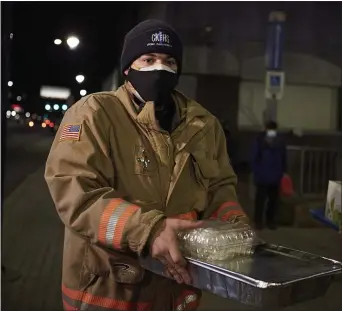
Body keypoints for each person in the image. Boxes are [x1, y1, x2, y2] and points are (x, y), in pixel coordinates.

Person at [45, 19, 249, 311]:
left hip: (175, 287)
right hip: (111, 290)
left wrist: (234, 226)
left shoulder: (204, 125)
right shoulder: (94, 115)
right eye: (148, 59)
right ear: (128, 68)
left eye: (169, 61)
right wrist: (149, 231)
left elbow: (220, 187)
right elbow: (74, 191)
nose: (159, 68)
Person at [250, 121, 287, 230]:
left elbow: (283, 157)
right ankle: (261, 221)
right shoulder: (261, 140)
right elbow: (254, 157)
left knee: (271, 200)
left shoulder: (274, 141)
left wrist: (282, 171)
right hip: (266, 174)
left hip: (272, 174)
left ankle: (266, 221)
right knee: (263, 200)